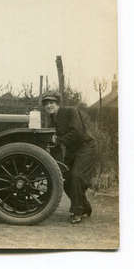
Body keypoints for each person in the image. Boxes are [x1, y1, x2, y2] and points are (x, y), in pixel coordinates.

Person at [42, 91, 97, 224]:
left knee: (76, 176)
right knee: (64, 177)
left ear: (58, 104)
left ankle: (76, 212)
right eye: (46, 104)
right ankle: (84, 206)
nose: (49, 106)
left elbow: (77, 132)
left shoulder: (70, 111)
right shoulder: (51, 120)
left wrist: (59, 140)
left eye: (52, 103)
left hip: (86, 146)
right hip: (72, 150)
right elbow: (53, 141)